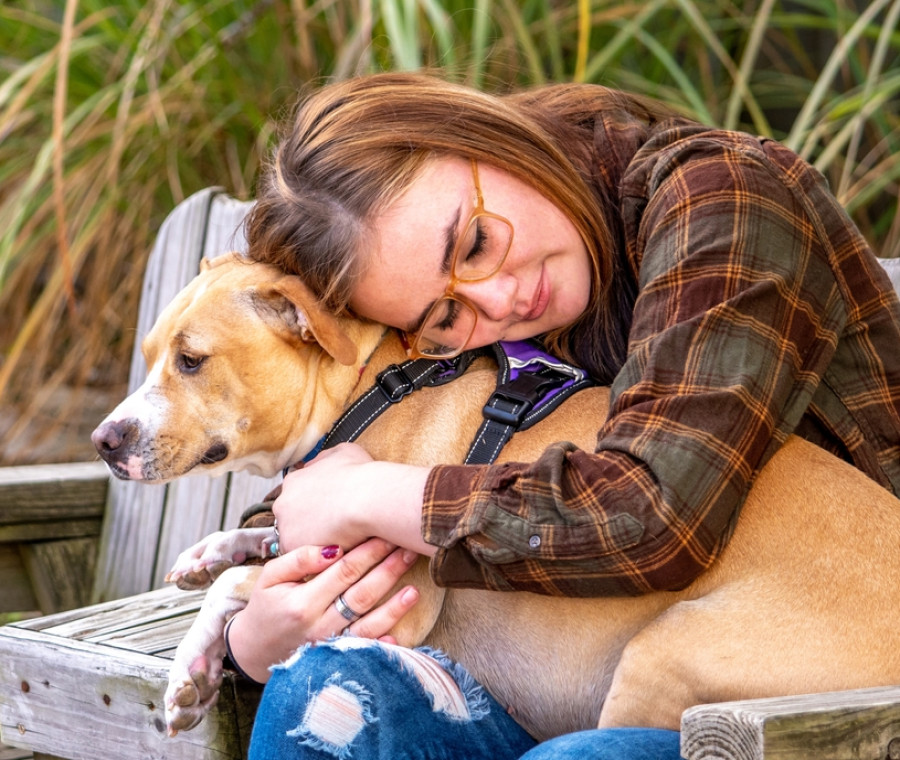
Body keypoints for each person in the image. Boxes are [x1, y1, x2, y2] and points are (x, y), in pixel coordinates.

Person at [224, 72, 900, 760]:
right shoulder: (493, 316)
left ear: (484, 138)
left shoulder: (722, 200)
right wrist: (253, 632)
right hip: (582, 679)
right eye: (446, 314)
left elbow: (654, 515)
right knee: (315, 693)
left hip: (831, 692)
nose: (501, 298)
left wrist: (367, 496)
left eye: (476, 243)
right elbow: (353, 469)